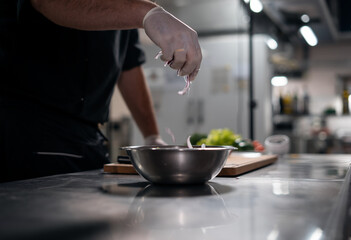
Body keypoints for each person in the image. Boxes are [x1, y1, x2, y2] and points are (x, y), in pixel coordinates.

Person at [0, 0, 202, 182]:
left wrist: (151, 136)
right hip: (32, 130)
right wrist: (147, 13)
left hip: (89, 137)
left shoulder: (125, 6)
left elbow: (128, 65)